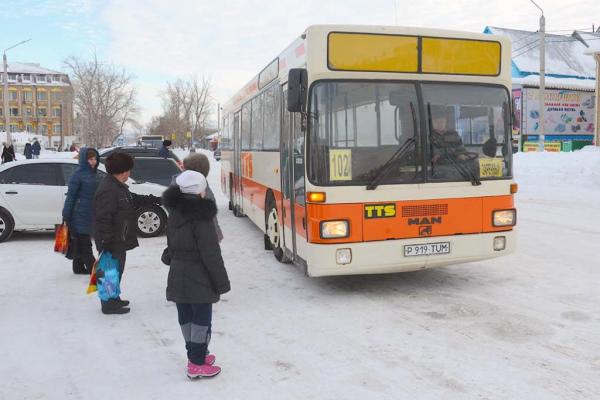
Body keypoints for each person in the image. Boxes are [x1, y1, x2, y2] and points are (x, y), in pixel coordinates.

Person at [162, 170, 230, 379]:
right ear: (201, 191)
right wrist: (221, 282)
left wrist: (170, 256)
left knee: (186, 316)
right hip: (199, 276)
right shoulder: (202, 218)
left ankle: (196, 353)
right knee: (202, 319)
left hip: (178, 273)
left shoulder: (174, 212)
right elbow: (210, 253)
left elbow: (172, 243)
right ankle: (197, 362)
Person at [94, 152, 161, 315]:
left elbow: (133, 199)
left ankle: (114, 298)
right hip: (111, 240)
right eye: (129, 170)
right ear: (123, 171)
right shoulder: (109, 190)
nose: (130, 173)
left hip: (118, 238)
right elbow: (103, 218)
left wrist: (156, 200)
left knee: (116, 270)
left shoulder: (117, 187)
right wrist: (107, 241)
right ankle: (108, 304)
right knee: (109, 271)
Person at [62, 148, 102, 275]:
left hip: (90, 213)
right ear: (84, 160)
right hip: (78, 214)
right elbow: (71, 196)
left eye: (95, 159)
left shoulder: (94, 174)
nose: (94, 161)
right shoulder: (78, 175)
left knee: (79, 241)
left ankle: (78, 267)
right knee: (85, 244)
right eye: (90, 159)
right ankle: (95, 272)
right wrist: (66, 214)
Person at [173, 153, 223, 241]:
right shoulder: (202, 188)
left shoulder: (177, 183)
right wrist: (217, 235)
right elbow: (211, 218)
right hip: (199, 242)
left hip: (178, 240)